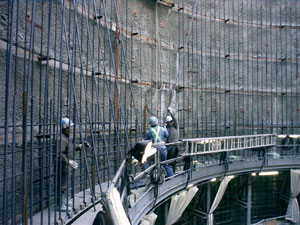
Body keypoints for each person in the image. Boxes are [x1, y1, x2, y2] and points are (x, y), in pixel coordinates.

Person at [57, 117, 89, 212]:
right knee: (62, 185)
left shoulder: (66, 137)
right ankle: (60, 205)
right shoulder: (61, 139)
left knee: (65, 183)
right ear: (65, 128)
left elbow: (70, 147)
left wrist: (79, 146)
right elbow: (60, 153)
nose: (71, 129)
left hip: (66, 165)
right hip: (63, 165)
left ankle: (63, 201)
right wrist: (68, 161)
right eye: (69, 127)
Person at [165, 107, 179, 172]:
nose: (168, 123)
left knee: (172, 161)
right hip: (168, 146)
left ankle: (172, 173)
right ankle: (170, 173)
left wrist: (171, 113)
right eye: (167, 122)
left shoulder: (175, 126)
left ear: (171, 122)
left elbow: (175, 119)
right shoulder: (167, 128)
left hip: (174, 146)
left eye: (169, 122)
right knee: (168, 161)